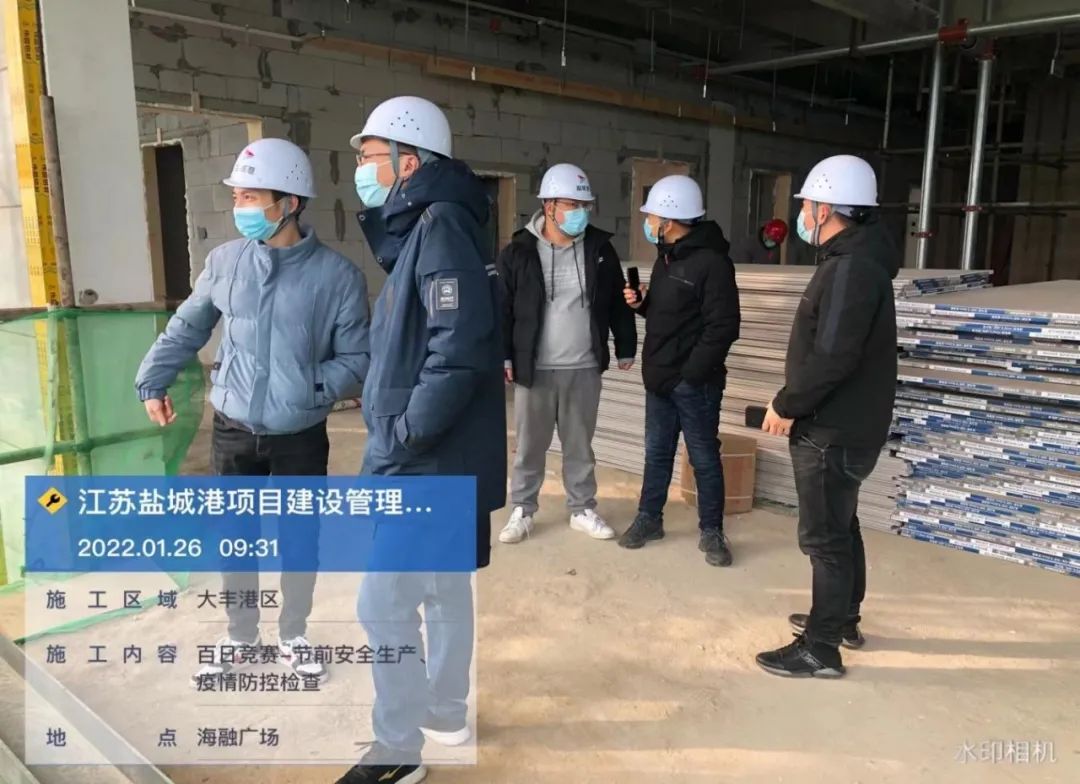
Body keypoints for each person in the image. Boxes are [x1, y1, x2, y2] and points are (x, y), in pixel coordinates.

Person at [134, 137, 371, 687]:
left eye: (250, 197)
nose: (240, 207)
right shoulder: (225, 262)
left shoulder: (337, 277)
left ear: (290, 203)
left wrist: (311, 388)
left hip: (300, 433)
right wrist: (152, 379)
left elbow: (357, 357)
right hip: (233, 429)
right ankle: (242, 636)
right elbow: (188, 326)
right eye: (237, 196)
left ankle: (293, 634)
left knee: (299, 540)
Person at [339, 96, 505, 784]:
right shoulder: (435, 226)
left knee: (381, 604)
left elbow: (457, 350)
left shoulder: (438, 228)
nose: (362, 169)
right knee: (442, 589)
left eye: (371, 157)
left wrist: (405, 433)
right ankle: (443, 708)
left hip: (426, 459)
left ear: (409, 162)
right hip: (440, 453)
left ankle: (397, 752)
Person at [755, 154, 899, 679]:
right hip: (852, 425)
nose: (802, 215)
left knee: (825, 539)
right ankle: (841, 621)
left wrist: (787, 404)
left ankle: (820, 649)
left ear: (825, 208)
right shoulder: (861, 259)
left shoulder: (850, 268)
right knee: (843, 524)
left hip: (832, 429)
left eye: (807, 205)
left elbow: (834, 356)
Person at [496, 163, 637, 544]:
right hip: (535, 368)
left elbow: (617, 303)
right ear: (549, 206)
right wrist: (504, 356)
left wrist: (625, 345)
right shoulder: (518, 252)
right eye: (573, 205)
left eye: (585, 205)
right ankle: (523, 509)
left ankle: (582, 508)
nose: (581, 212)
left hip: (583, 366)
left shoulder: (599, 250)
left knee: (579, 446)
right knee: (530, 447)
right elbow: (502, 310)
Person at [617, 175, 741, 567]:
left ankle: (712, 531)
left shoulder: (713, 264)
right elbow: (667, 313)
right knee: (657, 453)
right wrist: (641, 304)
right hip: (659, 378)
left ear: (668, 220)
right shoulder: (666, 257)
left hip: (693, 384)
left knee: (703, 457)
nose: (648, 222)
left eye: (652, 216)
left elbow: (724, 326)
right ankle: (649, 519)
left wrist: (691, 374)